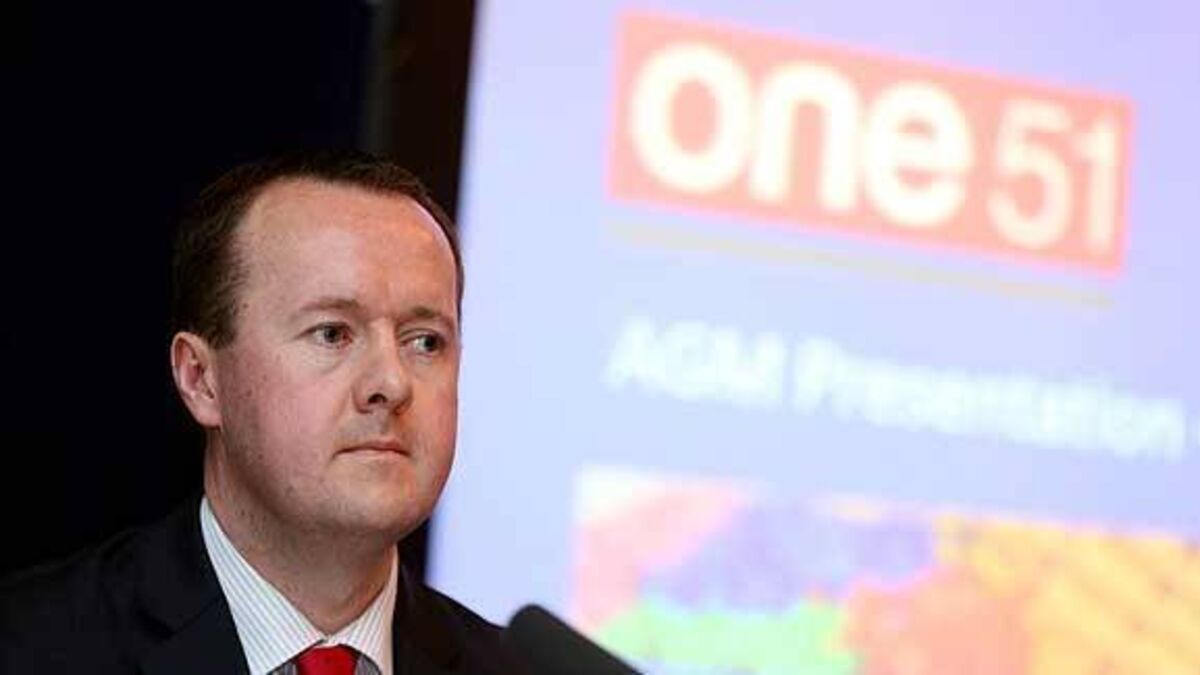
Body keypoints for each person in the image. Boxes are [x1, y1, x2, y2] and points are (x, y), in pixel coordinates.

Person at [0, 152, 530, 675]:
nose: (391, 384)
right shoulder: (30, 648)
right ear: (200, 379)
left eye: (425, 342)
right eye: (332, 333)